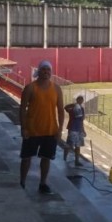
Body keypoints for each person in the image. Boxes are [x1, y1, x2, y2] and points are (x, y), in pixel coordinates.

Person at [19, 60, 64, 194]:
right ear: (39, 71)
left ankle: (43, 183)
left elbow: (61, 110)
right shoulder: (30, 88)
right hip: (32, 131)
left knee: (46, 159)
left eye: (48, 70)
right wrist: (23, 128)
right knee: (26, 158)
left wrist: (60, 129)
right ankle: (22, 181)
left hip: (50, 131)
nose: (46, 72)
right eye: (44, 69)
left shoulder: (56, 89)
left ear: (51, 72)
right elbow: (22, 109)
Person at [63, 95, 86, 167]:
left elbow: (81, 120)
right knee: (69, 145)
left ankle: (77, 161)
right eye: (79, 100)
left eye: (82, 100)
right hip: (72, 129)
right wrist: (73, 104)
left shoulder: (82, 109)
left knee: (78, 146)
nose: (81, 102)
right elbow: (65, 107)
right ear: (77, 100)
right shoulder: (72, 109)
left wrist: (83, 130)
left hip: (79, 129)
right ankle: (64, 158)